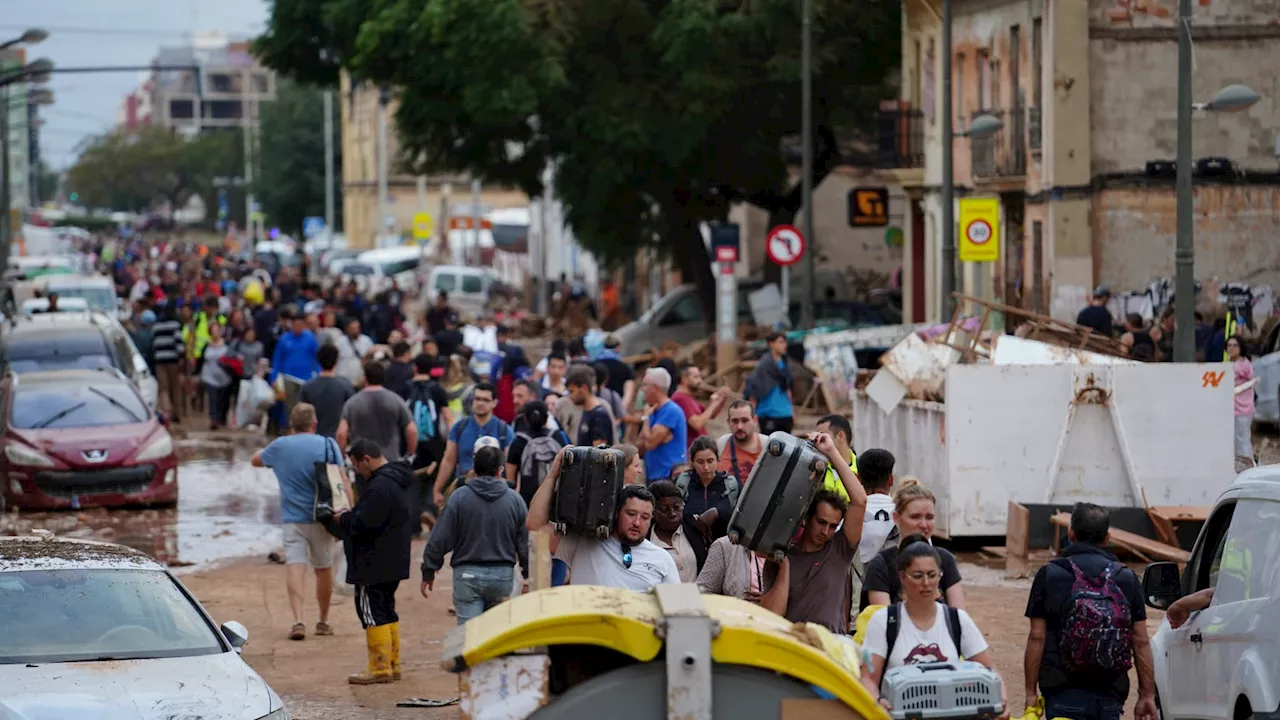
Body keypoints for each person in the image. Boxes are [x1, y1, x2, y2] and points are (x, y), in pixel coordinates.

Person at [1024, 503, 1157, 720]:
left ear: (1071, 533)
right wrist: (1146, 695)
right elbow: (1141, 641)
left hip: (1061, 691)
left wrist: (1031, 693)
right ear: (1108, 537)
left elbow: (1036, 636)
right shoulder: (1126, 578)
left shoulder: (1051, 574)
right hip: (1110, 693)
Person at [860, 537, 1004, 714]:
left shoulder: (957, 620)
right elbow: (868, 678)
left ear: (940, 575)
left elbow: (989, 670)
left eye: (932, 575)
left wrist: (1002, 701)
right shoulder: (883, 621)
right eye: (918, 576)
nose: (926, 583)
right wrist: (876, 702)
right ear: (902, 577)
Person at [760, 432, 867, 634]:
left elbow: (860, 501)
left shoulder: (839, 549)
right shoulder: (779, 558)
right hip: (796, 651)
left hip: (832, 648)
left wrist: (831, 452)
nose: (826, 531)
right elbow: (773, 616)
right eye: (821, 522)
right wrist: (784, 567)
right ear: (806, 518)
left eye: (833, 526)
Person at [329, 439, 416, 685]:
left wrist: (343, 518)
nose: (357, 471)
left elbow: (363, 523)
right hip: (395, 559)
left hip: (373, 562)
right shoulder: (399, 480)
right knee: (386, 610)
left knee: (371, 612)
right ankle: (392, 664)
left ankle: (379, 668)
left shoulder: (379, 486)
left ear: (367, 459)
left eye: (357, 465)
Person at [251, 403, 340, 640]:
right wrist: (346, 511)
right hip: (323, 517)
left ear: (292, 425)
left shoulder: (280, 446)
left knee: (295, 566)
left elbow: (255, 461)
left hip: (292, 519)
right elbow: (340, 480)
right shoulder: (328, 445)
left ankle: (298, 619)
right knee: (323, 569)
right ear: (315, 423)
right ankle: (323, 620)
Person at [420, 445, 530, 623]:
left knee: (467, 636)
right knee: (496, 636)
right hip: (502, 577)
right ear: (500, 470)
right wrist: (527, 574)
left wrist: (429, 569)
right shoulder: (515, 500)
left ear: (474, 469)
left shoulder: (459, 497)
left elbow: (440, 537)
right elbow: (524, 542)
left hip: (467, 576)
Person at [528, 462, 679, 591]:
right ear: (616, 513)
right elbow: (535, 525)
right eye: (631, 514)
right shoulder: (583, 544)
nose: (637, 522)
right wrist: (553, 475)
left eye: (644, 517)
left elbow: (680, 613)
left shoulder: (662, 559)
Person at [862, 480, 964, 611]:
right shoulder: (881, 565)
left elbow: (960, 616)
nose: (924, 524)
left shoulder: (945, 559)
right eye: (915, 517)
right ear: (896, 518)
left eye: (929, 517)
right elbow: (885, 622)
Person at [433, 383, 515, 507]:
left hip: (494, 493)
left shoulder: (504, 430)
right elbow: (449, 460)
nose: (480, 403)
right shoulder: (460, 427)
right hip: (464, 491)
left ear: (494, 403)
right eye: (477, 399)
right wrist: (437, 489)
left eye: (485, 400)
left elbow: (509, 464)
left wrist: (511, 493)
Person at [672, 436, 738, 571]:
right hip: (689, 557)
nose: (706, 467)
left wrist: (716, 512)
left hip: (724, 556)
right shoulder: (683, 483)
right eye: (700, 462)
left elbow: (741, 514)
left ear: (717, 459)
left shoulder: (730, 485)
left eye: (710, 461)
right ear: (692, 462)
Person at [336, 360, 417, 465]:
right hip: (390, 461)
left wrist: (343, 458)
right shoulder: (396, 400)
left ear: (365, 378)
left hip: (362, 463)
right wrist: (410, 455)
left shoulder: (352, 403)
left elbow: (341, 434)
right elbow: (412, 430)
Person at [407, 354, 453, 532]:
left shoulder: (406, 387)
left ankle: (413, 522)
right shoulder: (438, 389)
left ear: (415, 368)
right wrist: (451, 440)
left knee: (413, 479)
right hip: (434, 443)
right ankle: (428, 508)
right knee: (434, 477)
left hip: (411, 443)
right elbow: (447, 418)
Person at [696, 534, 788, 611]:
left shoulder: (789, 552)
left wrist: (771, 597)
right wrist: (733, 606)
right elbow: (701, 595)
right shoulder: (725, 546)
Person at [506, 400, 570, 507]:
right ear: (547, 418)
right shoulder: (559, 436)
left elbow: (510, 482)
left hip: (528, 502)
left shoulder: (519, 442)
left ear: (525, 418)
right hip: (557, 501)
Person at [637, 367, 688, 483]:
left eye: (645, 385)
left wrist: (645, 418)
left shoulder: (671, 411)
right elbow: (639, 445)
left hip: (669, 478)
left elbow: (649, 444)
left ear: (655, 388)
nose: (642, 390)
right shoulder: (652, 410)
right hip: (653, 477)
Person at [299, 344, 356, 439]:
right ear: (336, 361)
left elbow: (301, 417)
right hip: (338, 440)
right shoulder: (346, 386)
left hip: (313, 439)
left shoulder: (307, 387)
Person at [744, 331, 794, 434]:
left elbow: (788, 388)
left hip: (785, 414)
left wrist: (792, 411)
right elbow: (754, 390)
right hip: (768, 414)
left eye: (785, 342)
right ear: (771, 344)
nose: (784, 345)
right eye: (780, 342)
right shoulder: (763, 366)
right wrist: (750, 415)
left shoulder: (786, 364)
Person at [649, 480, 698, 583]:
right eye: (664, 509)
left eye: (676, 507)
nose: (672, 513)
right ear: (652, 512)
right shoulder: (647, 540)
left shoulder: (695, 529)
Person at [670, 365, 730, 446]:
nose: (700, 381)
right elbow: (697, 424)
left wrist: (722, 399)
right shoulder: (680, 398)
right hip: (691, 451)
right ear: (684, 379)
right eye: (696, 377)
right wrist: (714, 403)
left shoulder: (688, 398)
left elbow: (710, 415)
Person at [716, 400, 767, 483]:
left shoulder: (767, 447)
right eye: (735, 421)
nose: (739, 427)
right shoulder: (720, 446)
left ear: (755, 420)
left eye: (745, 420)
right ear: (728, 422)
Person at [565, 364, 615, 447]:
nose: (570, 396)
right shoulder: (587, 411)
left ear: (584, 388)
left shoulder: (599, 415)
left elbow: (598, 453)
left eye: (572, 391)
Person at [153, 302, 186, 423]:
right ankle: (177, 413)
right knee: (175, 387)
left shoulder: (156, 325)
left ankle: (166, 411)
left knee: (163, 388)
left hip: (160, 361)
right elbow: (178, 342)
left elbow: (155, 343)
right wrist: (181, 357)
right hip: (173, 361)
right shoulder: (175, 325)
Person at [815, 414, 858, 502]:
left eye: (823, 436)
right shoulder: (816, 467)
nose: (818, 441)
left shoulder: (863, 468)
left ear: (840, 436)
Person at [271, 309, 321, 383]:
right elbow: (277, 359)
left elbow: (317, 357)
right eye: (296, 325)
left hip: (306, 378)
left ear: (304, 325)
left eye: (301, 325)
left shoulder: (310, 338)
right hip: (288, 377)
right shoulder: (284, 339)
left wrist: (319, 373)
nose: (298, 327)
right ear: (292, 324)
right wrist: (273, 378)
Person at [1229, 335, 1255, 471]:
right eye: (1229, 345)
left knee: (1243, 441)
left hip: (1243, 410)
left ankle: (1249, 470)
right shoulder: (1230, 365)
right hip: (1232, 410)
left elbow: (1248, 376)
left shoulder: (1243, 365)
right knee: (1236, 442)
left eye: (1235, 345)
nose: (1231, 348)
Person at [200, 323, 233, 429]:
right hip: (209, 376)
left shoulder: (227, 345)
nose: (215, 333)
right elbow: (201, 360)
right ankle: (213, 419)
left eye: (217, 330)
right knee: (212, 398)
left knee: (223, 399)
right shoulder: (206, 345)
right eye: (213, 330)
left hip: (224, 376)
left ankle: (221, 418)